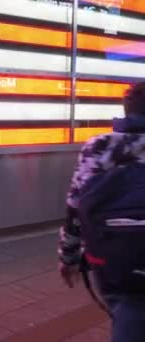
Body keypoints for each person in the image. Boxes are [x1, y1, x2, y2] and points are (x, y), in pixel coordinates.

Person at [58, 82, 145, 342]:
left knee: (128, 310)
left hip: (115, 259)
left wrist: (69, 257)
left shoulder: (100, 147)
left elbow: (75, 208)